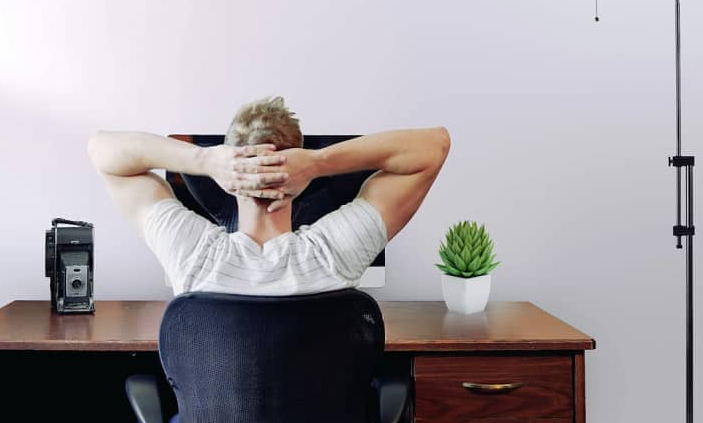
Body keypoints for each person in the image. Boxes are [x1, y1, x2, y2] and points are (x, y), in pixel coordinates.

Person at [87, 96, 451, 296]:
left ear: (229, 179)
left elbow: (102, 151)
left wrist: (204, 159)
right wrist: (319, 162)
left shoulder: (191, 255)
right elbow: (434, 146)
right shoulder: (335, 254)